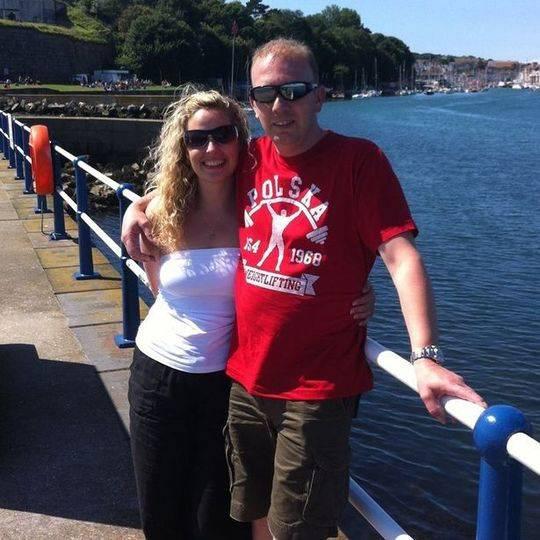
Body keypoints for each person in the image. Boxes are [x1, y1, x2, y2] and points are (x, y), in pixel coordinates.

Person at [122, 39, 486, 540]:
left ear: (320, 96)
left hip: (316, 387)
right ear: (252, 103)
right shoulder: (250, 159)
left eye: (293, 91)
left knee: (294, 528)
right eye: (265, 94)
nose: (279, 105)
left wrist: (423, 356)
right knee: (247, 512)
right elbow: (187, 179)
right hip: (243, 380)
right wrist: (136, 207)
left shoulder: (359, 161)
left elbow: (401, 259)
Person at [125, 86, 375, 540]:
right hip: (158, 377)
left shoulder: (256, 204)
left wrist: (358, 289)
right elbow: (156, 281)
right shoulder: (162, 211)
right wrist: (133, 208)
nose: (211, 149)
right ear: (183, 148)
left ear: (241, 140)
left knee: (220, 516)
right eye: (197, 139)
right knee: (161, 512)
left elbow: (314, 250)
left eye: (223, 135)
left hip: (228, 384)